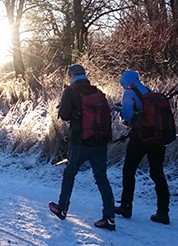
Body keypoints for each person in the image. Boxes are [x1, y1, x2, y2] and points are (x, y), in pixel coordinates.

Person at [48, 64, 116, 231]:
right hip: (100, 142)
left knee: (70, 173)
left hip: (80, 141)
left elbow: (64, 115)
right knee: (102, 178)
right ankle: (109, 217)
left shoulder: (70, 91)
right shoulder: (97, 91)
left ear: (71, 76)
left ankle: (62, 208)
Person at [115, 70, 171, 224]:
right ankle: (163, 212)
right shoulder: (148, 91)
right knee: (157, 174)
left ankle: (126, 207)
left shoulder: (129, 93)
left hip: (140, 138)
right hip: (157, 138)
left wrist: (120, 111)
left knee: (128, 170)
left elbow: (127, 116)